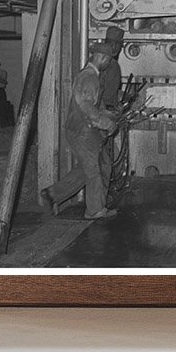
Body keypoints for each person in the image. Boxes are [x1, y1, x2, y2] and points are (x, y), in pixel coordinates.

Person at [41, 41, 120, 220]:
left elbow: (91, 103)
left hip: (83, 129)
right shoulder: (89, 77)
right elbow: (86, 106)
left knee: (96, 166)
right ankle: (95, 210)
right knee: (94, 170)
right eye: (109, 60)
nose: (109, 64)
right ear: (102, 57)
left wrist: (105, 113)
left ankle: (52, 195)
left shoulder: (91, 75)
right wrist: (107, 124)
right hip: (82, 131)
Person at [95, 25, 125, 109]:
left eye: (117, 44)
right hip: (103, 111)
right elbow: (107, 98)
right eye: (111, 44)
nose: (114, 47)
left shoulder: (93, 61)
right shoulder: (113, 66)